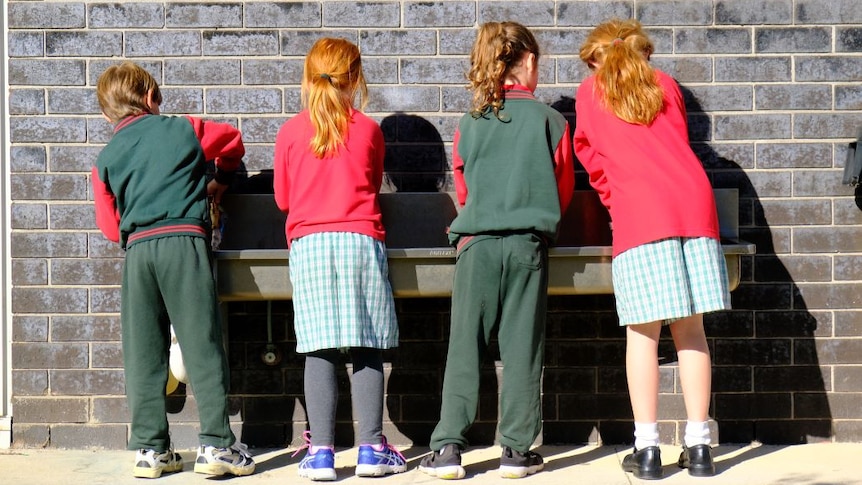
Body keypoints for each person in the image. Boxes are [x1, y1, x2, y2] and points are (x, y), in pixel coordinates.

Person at [574, 18, 731, 480]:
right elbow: (677, 142)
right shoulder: (664, 83)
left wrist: (614, 196)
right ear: (645, 51)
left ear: (595, 56)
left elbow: (591, 156)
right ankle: (700, 448)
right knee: (691, 331)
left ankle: (647, 452)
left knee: (642, 335)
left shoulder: (590, 91)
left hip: (641, 213)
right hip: (694, 206)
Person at [418, 21, 575, 480]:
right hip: (527, 244)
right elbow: (561, 190)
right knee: (523, 347)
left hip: (477, 246)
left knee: (464, 346)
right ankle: (515, 452)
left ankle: (448, 448)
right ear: (527, 62)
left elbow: (463, 190)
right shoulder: (551, 121)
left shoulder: (470, 122)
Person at [91, 61, 255, 478]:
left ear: (108, 113)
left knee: (144, 351)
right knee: (201, 343)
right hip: (184, 242)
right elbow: (232, 140)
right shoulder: (185, 128)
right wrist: (221, 178)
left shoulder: (104, 158)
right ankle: (217, 446)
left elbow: (111, 228)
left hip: (138, 253)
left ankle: (150, 450)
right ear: (150, 98)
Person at [272, 37, 406, 481]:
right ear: (355, 77)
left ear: (309, 77)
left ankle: (322, 454)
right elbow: (371, 181)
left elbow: (282, 198)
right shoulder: (368, 129)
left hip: (310, 245)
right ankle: (371, 448)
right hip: (359, 240)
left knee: (319, 348)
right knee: (366, 345)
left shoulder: (291, 131)